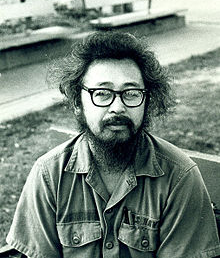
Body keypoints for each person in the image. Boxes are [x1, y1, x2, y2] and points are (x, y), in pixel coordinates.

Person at [6, 31, 220, 257]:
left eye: (131, 93)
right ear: (77, 103)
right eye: (102, 93)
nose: (118, 107)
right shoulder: (49, 175)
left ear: (147, 101)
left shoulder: (179, 177)